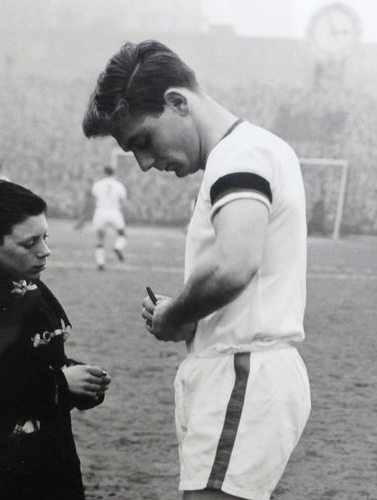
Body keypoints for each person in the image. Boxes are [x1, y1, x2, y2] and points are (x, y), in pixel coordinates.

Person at [82, 40, 310, 500]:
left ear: (177, 102)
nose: (144, 164)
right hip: (237, 368)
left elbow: (233, 265)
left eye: (143, 141)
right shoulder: (242, 153)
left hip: (242, 368)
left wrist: (176, 316)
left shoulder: (240, 155)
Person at [0, 177, 111, 500]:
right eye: (30, 244)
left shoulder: (31, 288)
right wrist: (59, 383)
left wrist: (78, 379)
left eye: (45, 237)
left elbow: (26, 363)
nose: (46, 251)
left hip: (48, 461)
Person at [77, 165, 128, 270]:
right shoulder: (119, 186)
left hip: (100, 212)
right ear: (114, 174)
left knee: (100, 239)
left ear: (104, 173)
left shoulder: (97, 185)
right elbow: (123, 202)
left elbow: (92, 199)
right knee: (122, 234)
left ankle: (100, 263)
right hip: (114, 211)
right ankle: (118, 247)